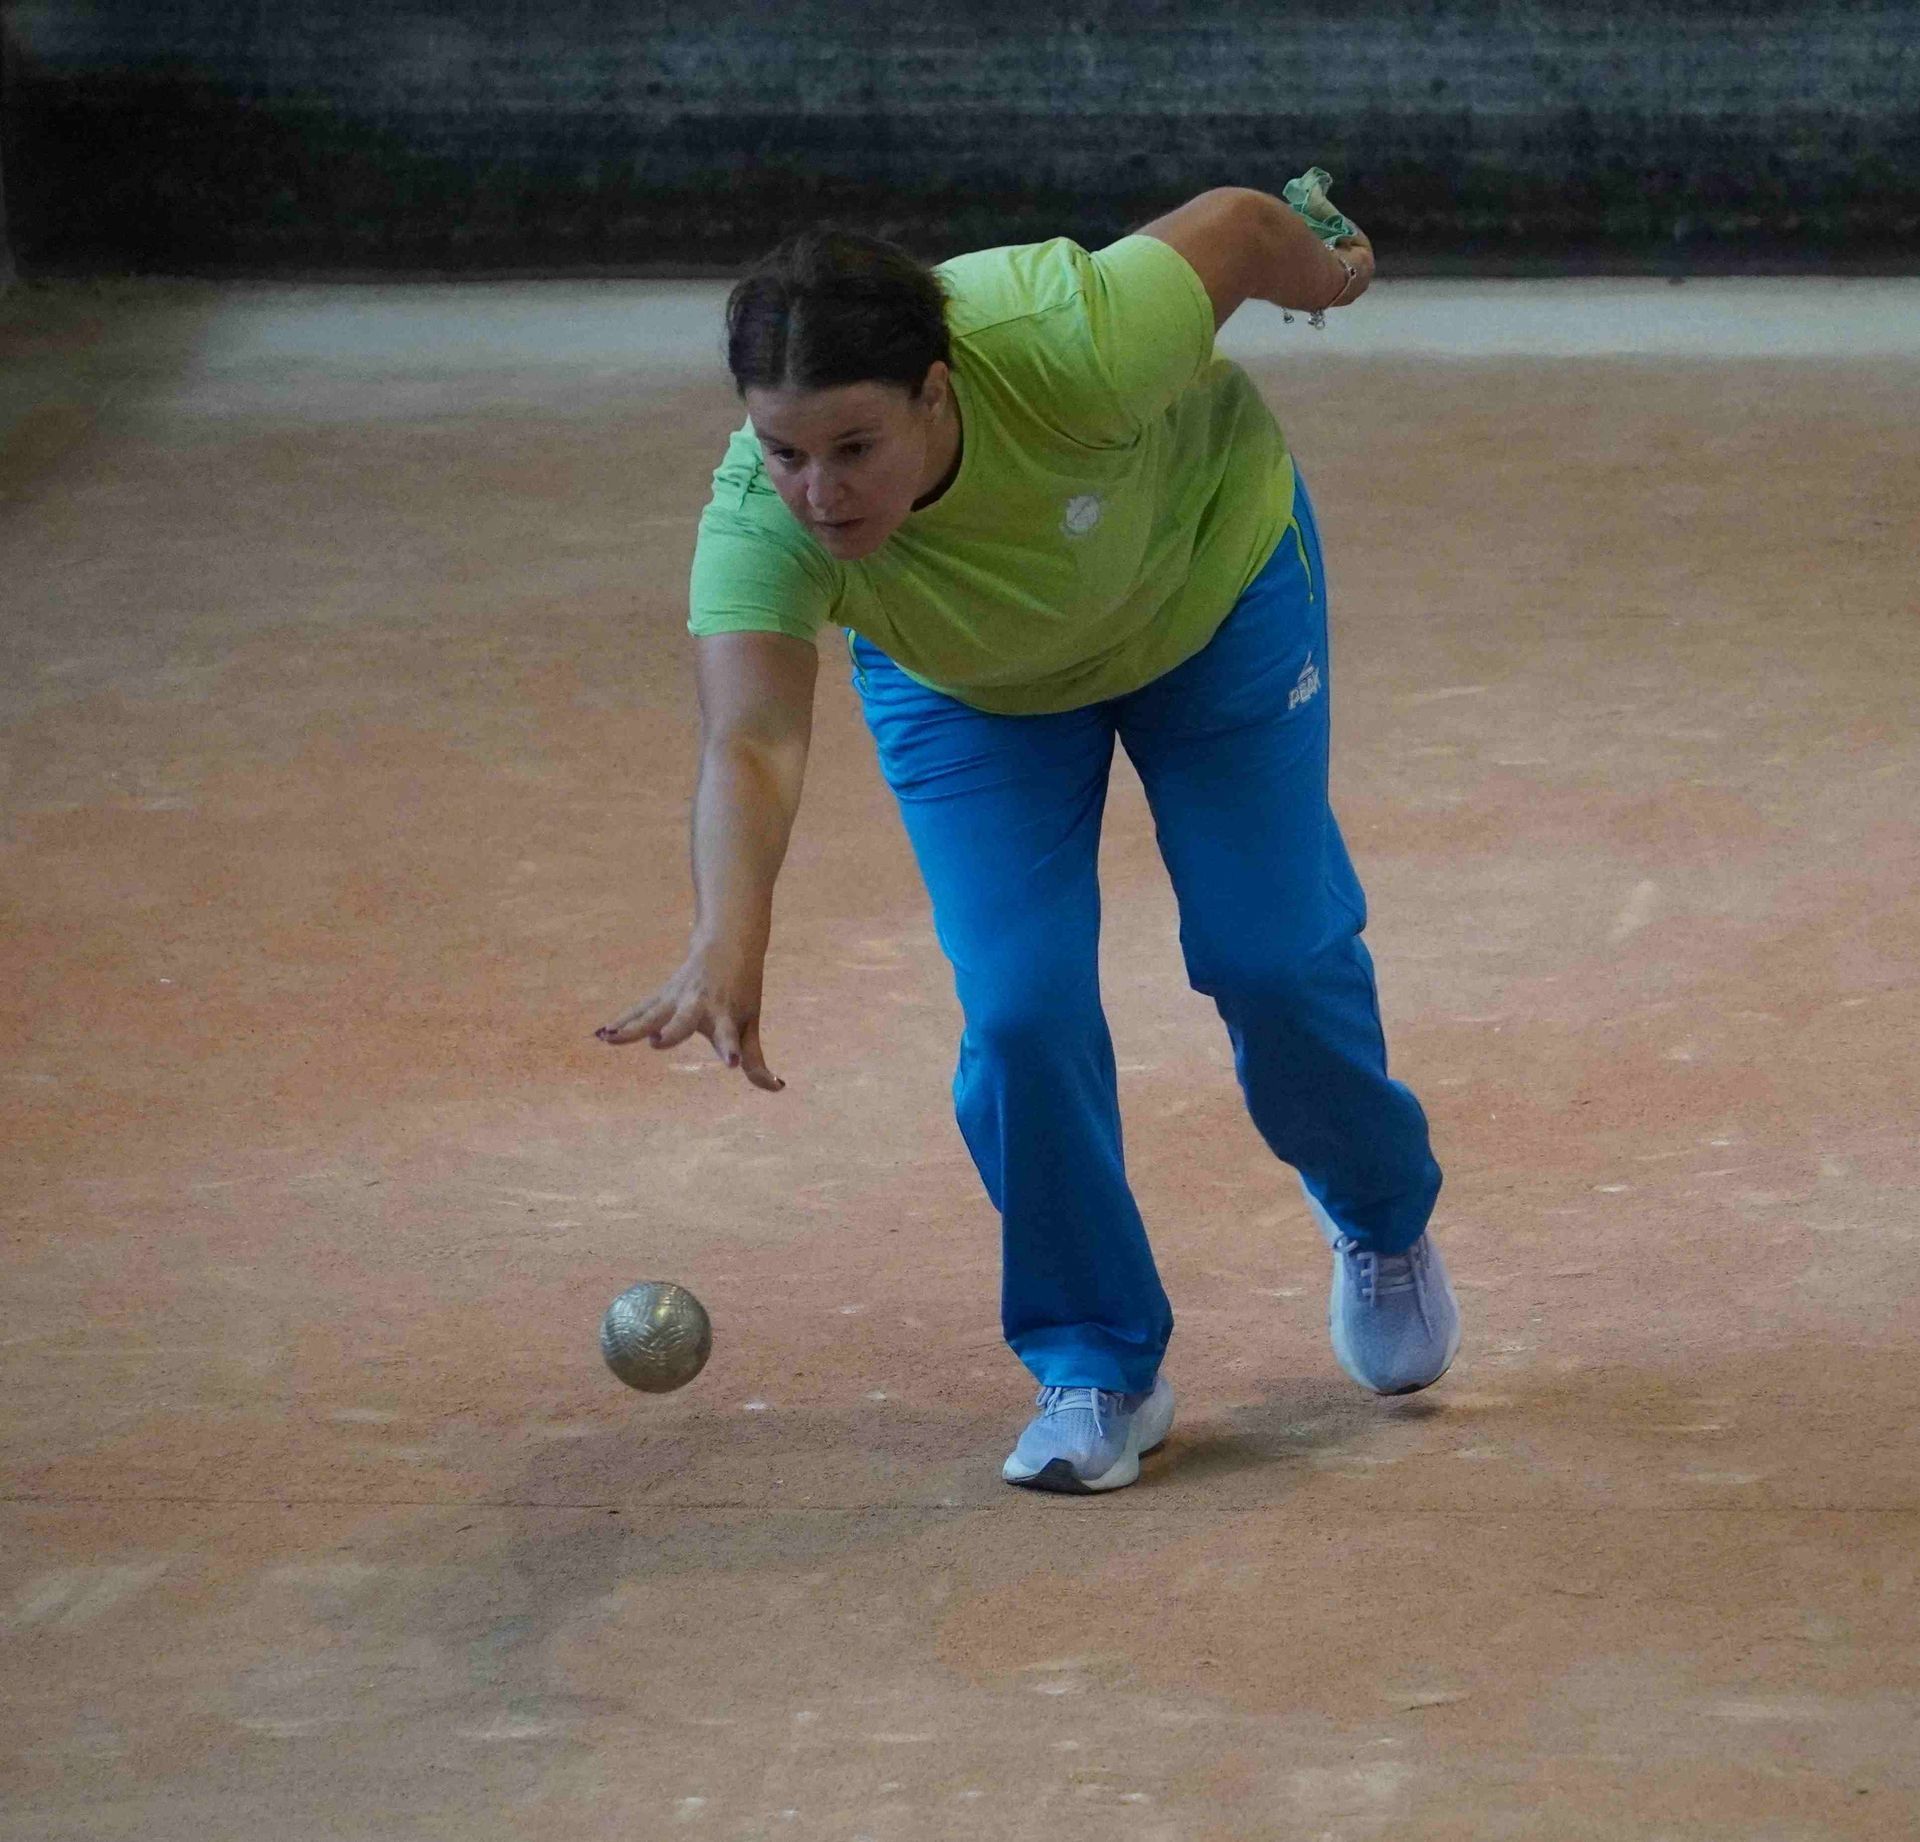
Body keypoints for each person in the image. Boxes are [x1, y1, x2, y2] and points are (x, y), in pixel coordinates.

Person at [597, 186, 1460, 1494]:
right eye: (784, 451)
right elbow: (751, 741)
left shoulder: (1069, 336)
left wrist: (1333, 277)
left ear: (937, 394)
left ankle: (1383, 1224)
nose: (818, 493)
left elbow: (1240, 226)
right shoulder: (760, 514)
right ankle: (1098, 1358)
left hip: (1211, 594)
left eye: (854, 446)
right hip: (971, 693)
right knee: (1018, 1013)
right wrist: (728, 932)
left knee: (1272, 955)